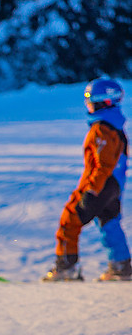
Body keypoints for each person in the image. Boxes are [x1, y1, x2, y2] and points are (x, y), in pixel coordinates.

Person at [43, 78, 130, 281]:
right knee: (110, 222)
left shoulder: (102, 129)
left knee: (70, 218)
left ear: (104, 102)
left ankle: (66, 267)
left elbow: (103, 165)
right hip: (113, 185)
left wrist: (91, 191)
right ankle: (121, 265)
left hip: (100, 185)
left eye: (91, 101)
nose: (88, 106)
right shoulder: (114, 126)